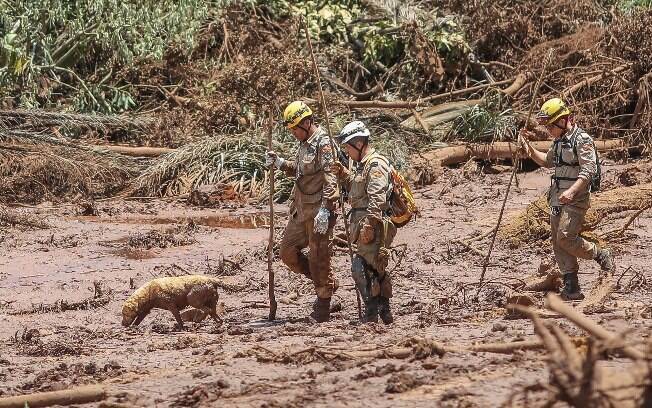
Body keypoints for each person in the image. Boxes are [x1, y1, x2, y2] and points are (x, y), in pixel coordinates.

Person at [520, 98, 614, 300]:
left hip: (576, 197)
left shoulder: (582, 140)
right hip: (557, 197)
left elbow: (590, 170)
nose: (547, 130)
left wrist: (572, 191)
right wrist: (528, 149)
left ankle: (599, 253)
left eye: (550, 126)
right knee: (557, 240)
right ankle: (571, 286)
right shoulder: (559, 141)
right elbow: (547, 161)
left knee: (565, 237)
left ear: (562, 120)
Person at [265, 101, 340, 322]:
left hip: (319, 212)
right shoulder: (304, 142)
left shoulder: (323, 144)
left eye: (296, 128)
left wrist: (327, 210)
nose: (293, 133)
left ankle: (324, 301)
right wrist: (279, 163)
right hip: (300, 211)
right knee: (287, 252)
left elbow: (331, 179)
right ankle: (324, 281)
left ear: (307, 122)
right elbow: (300, 172)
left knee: (319, 257)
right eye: (291, 129)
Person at [332, 121, 396, 323]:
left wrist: (369, 224)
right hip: (361, 222)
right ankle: (384, 312)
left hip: (373, 224)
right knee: (375, 269)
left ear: (359, 144)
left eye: (348, 147)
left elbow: (377, 198)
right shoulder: (362, 166)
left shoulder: (375, 164)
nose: (347, 151)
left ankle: (371, 314)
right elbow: (358, 189)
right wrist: (343, 175)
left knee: (360, 268)